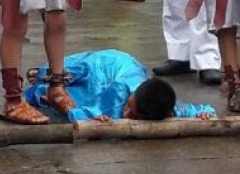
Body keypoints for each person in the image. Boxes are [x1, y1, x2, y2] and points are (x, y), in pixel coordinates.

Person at [24, 50, 216, 121]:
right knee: (60, 83)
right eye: (128, 107)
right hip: (104, 65)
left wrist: (205, 114)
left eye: (133, 114)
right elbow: (85, 114)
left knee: (76, 97)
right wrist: (70, 109)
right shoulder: (121, 91)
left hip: (110, 79)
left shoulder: (167, 107)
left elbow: (201, 110)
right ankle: (42, 72)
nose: (125, 114)